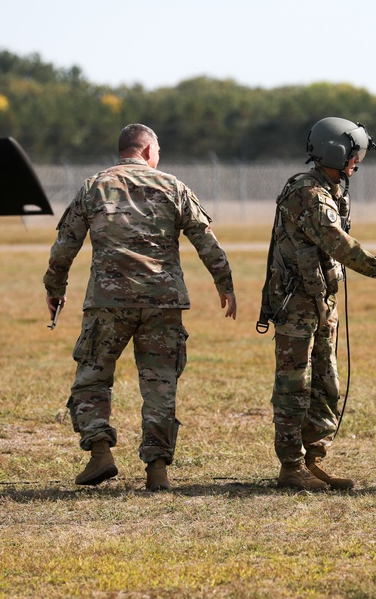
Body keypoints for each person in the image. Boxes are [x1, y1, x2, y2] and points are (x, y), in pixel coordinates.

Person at [44, 123, 236, 491]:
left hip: (108, 301)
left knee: (93, 377)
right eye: (158, 151)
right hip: (163, 301)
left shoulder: (94, 186)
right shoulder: (173, 187)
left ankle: (100, 452)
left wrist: (55, 287)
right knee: (160, 384)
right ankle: (157, 470)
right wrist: (223, 282)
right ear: (148, 151)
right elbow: (205, 239)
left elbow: (65, 244)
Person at [258, 116, 376, 491]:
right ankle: (290, 466)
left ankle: (312, 459)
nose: (358, 161)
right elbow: (338, 243)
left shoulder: (332, 188)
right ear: (337, 151)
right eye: (355, 153)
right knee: (293, 387)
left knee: (326, 383)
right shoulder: (307, 192)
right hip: (296, 304)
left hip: (320, 301)